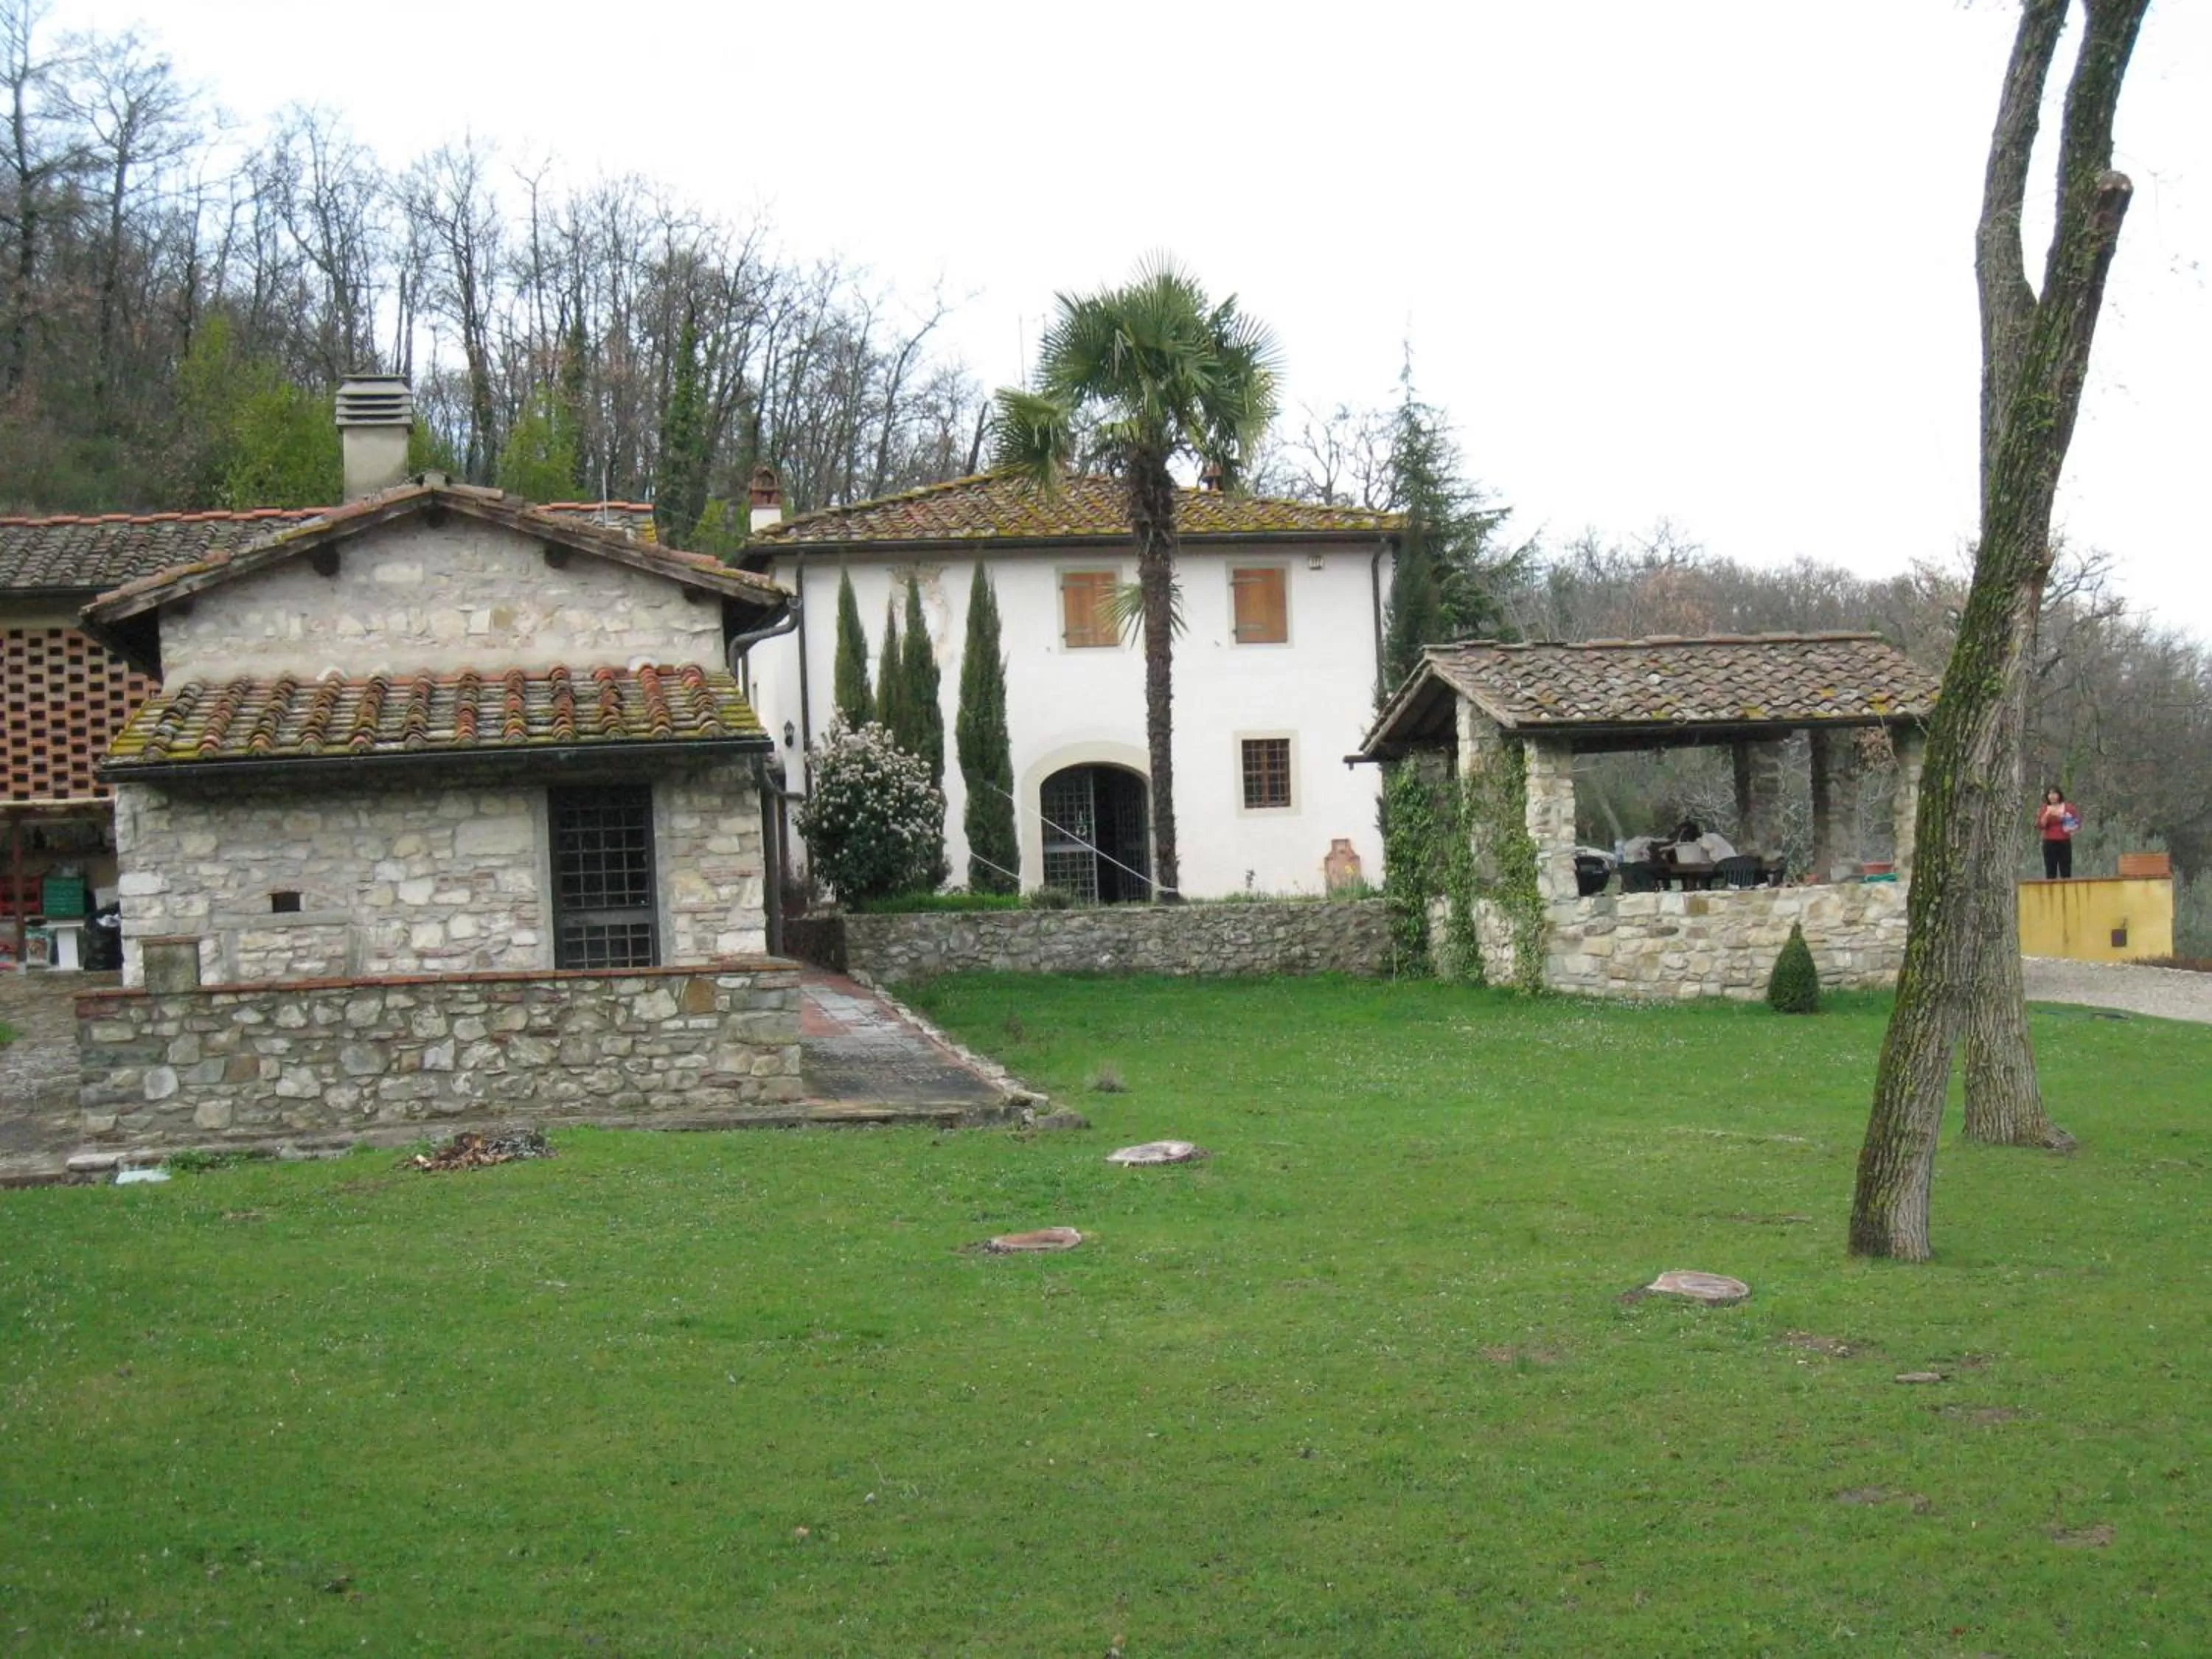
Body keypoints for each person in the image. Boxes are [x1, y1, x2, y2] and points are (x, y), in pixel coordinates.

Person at [2036, 785, 2079, 879]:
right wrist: (2047, 815)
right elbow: (2040, 825)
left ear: (2059, 795)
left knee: (2066, 871)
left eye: (2054, 793)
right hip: (2049, 843)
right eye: (2050, 794)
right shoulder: (2044, 808)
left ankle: (2066, 892)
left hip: (2064, 842)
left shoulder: (2068, 808)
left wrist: (2063, 818)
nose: (2052, 796)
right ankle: (2051, 893)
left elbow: (2075, 824)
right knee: (2050, 871)